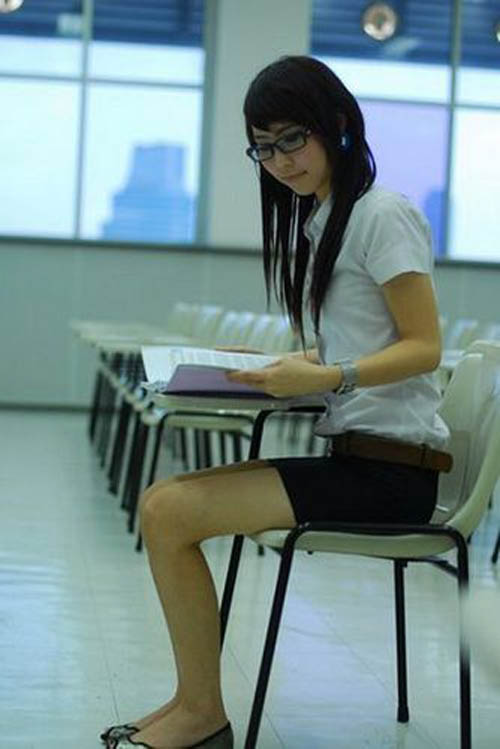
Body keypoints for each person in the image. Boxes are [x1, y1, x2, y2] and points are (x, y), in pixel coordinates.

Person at [102, 55, 450, 749]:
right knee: (163, 502)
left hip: (394, 474)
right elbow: (358, 347)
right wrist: (277, 366)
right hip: (359, 457)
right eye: (264, 147)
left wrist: (328, 376)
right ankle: (192, 701)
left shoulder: (383, 214)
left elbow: (425, 347)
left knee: (168, 511)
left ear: (338, 124)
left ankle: (202, 714)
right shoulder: (326, 220)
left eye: (293, 138)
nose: (280, 160)